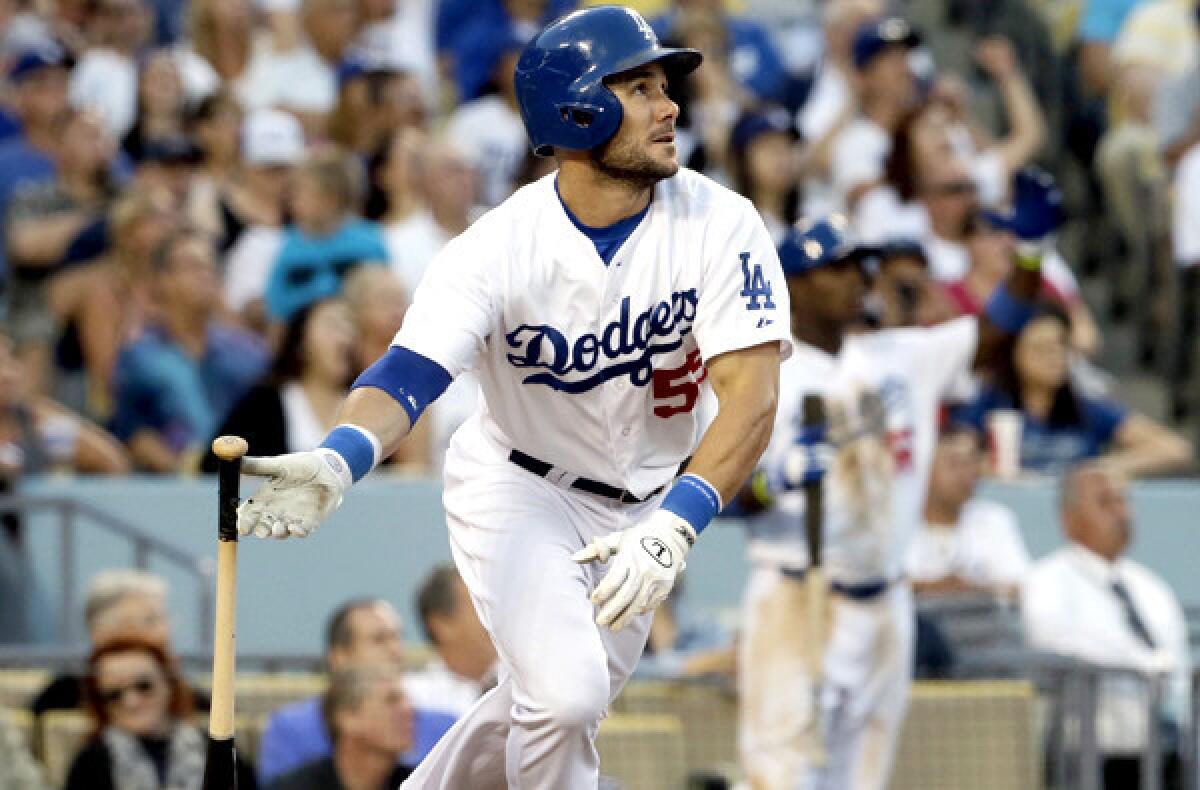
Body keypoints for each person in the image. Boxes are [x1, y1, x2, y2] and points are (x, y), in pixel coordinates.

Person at [236, 8, 789, 788]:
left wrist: (676, 527)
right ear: (576, 109)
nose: (669, 107)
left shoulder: (721, 223)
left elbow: (752, 400)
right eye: (638, 87)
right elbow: (408, 375)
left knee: (539, 708)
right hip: (522, 489)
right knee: (565, 699)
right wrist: (340, 456)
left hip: (648, 508)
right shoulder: (498, 247)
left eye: (664, 86)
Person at [736, 189, 1054, 788]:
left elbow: (995, 331)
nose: (860, 278)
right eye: (838, 267)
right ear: (794, 283)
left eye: (863, 264)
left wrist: (1031, 255)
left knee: (865, 778)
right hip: (796, 595)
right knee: (781, 776)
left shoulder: (902, 354)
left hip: (886, 600)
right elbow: (711, 494)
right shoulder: (757, 371)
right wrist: (767, 481)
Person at [1023, 462, 1190, 789]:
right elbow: (1055, 642)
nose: (1121, 513)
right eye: (1105, 502)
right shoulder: (1046, 579)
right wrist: (1140, 663)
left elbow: (1176, 663)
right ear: (1069, 520)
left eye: (1124, 501)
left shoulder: (1151, 587)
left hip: (1162, 744)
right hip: (1086, 747)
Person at [952, 302, 1192, 478]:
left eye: (1061, 347)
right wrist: (989, 467)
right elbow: (954, 454)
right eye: (1042, 349)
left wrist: (1105, 468)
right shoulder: (988, 406)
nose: (1055, 358)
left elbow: (1175, 449)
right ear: (1014, 355)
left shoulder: (1084, 409)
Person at [108, 228, 268, 472]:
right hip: (172, 487)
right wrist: (184, 471)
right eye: (193, 266)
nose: (206, 275)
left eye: (210, 266)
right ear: (163, 280)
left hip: (247, 482)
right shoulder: (140, 357)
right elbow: (133, 431)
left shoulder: (250, 353)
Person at [257, 598, 451, 784]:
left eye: (398, 638)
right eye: (379, 639)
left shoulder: (443, 726)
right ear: (339, 656)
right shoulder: (290, 728)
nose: (395, 650)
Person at [65, 635, 257, 790]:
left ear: (168, 683)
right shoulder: (89, 763)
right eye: (114, 694)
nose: (131, 702)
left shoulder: (216, 747)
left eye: (143, 686)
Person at [201, 298, 358, 470]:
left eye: (350, 326)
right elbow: (214, 466)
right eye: (333, 325)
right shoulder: (264, 402)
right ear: (301, 342)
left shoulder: (365, 403)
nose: (346, 335)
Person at [908, 424, 1030, 601]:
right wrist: (936, 587)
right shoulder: (897, 523)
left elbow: (1020, 585)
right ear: (924, 469)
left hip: (982, 623)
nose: (967, 472)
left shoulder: (994, 518)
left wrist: (969, 590)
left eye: (972, 462)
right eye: (954, 463)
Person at [266, 664, 415, 790]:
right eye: (391, 700)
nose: (408, 710)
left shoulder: (422, 784)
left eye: (406, 701)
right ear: (347, 717)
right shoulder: (293, 787)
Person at [407, 565, 498, 718]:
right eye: (480, 606)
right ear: (442, 624)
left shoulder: (521, 681)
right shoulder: (415, 700)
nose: (494, 618)